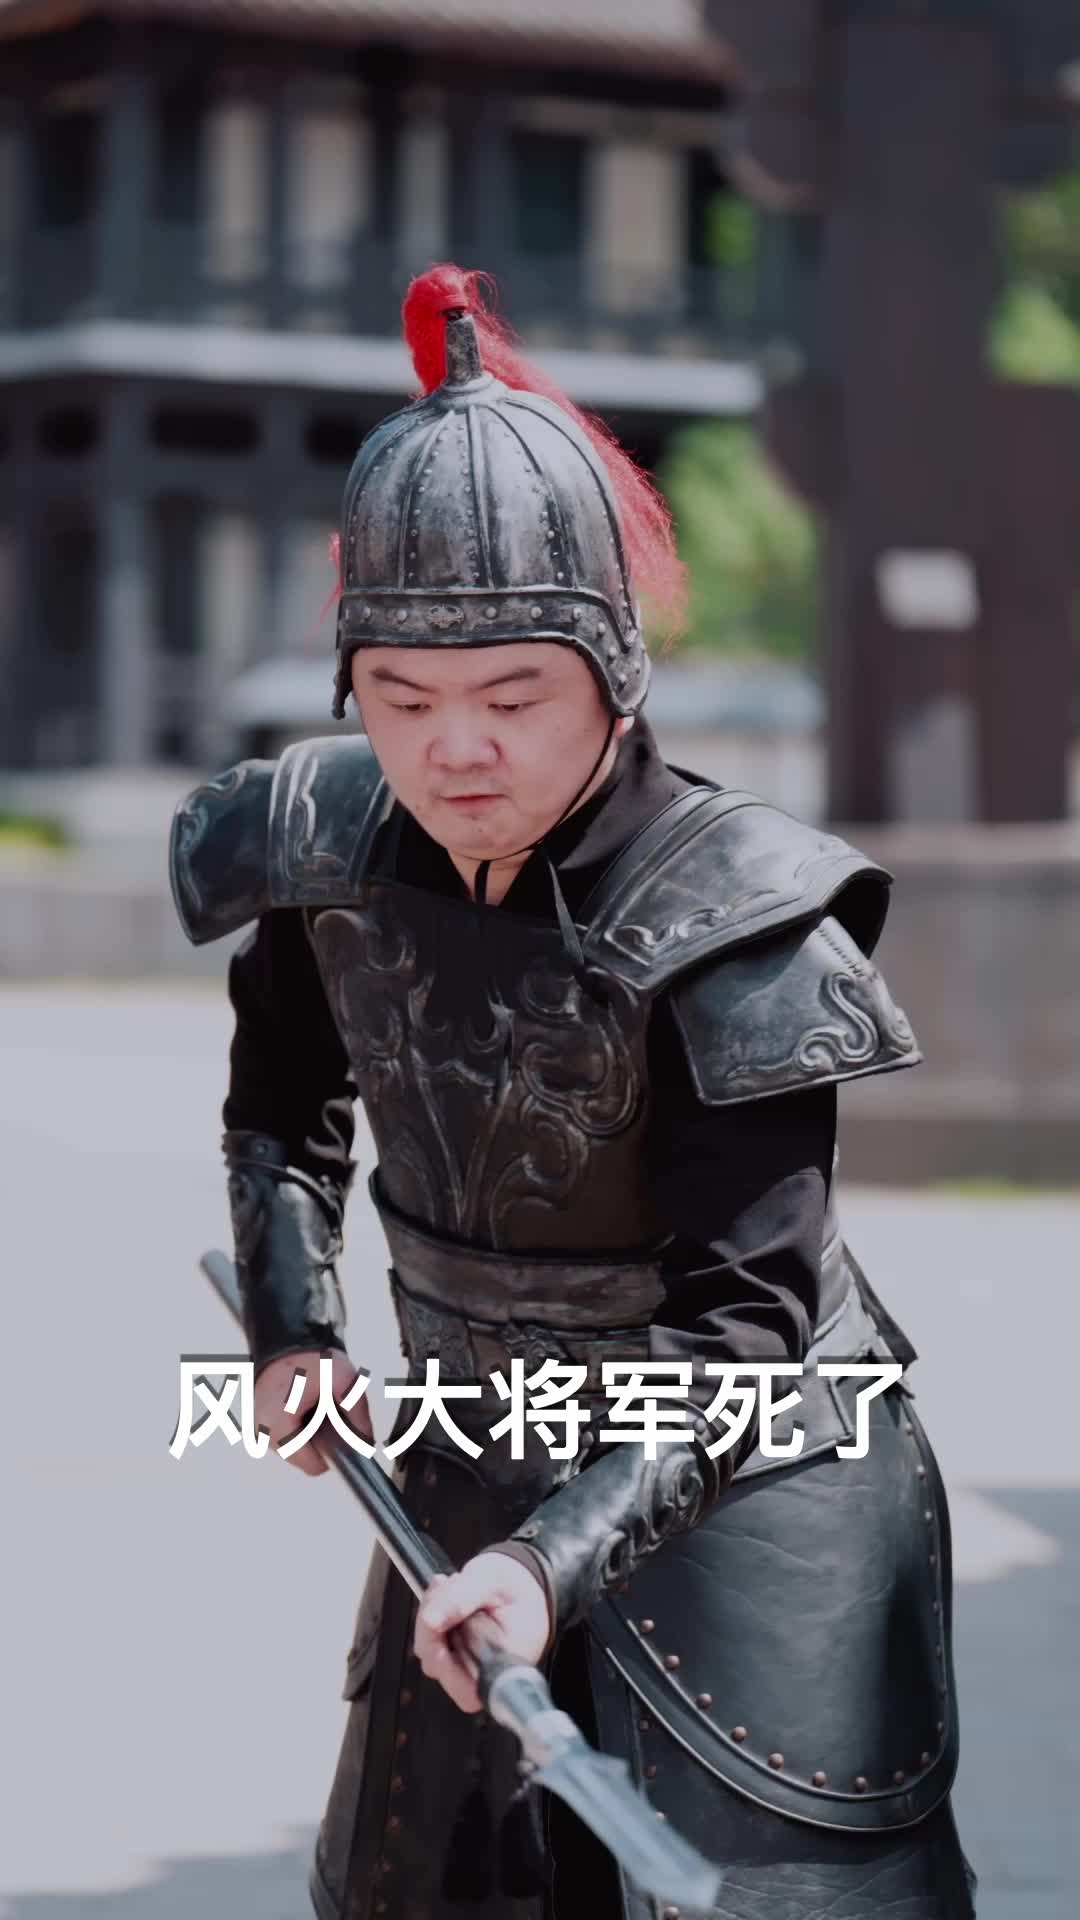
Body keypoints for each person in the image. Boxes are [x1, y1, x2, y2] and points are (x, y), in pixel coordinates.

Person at [170, 264, 978, 1920]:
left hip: (761, 1468)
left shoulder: (738, 919)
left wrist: (549, 1566)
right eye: (404, 700)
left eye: (512, 696)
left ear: (615, 673)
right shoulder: (327, 847)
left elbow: (746, 1332)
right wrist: (296, 1331)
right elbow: (280, 1116)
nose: (454, 748)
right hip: (478, 1440)